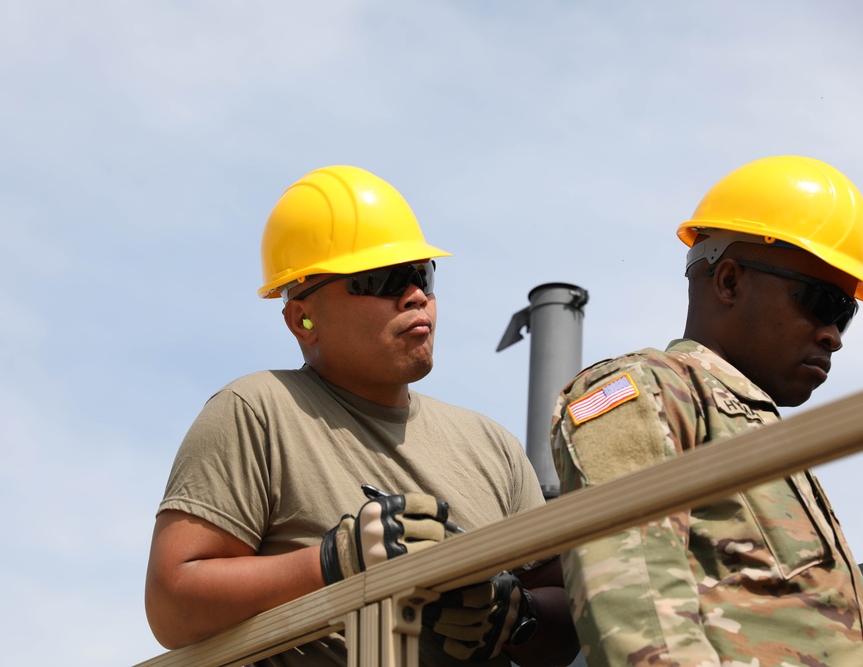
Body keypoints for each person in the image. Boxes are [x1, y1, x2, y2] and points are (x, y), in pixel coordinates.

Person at [145, 165, 577, 666]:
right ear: (302, 319)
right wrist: (337, 562)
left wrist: (512, 614)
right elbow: (172, 606)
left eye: (422, 275)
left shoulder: (490, 445)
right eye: (382, 279)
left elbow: (568, 623)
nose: (415, 295)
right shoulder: (258, 411)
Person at [550, 155, 863, 666]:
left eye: (846, 315)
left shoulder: (756, 430)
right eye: (821, 303)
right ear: (728, 281)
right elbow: (635, 612)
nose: (834, 336)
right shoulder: (649, 390)